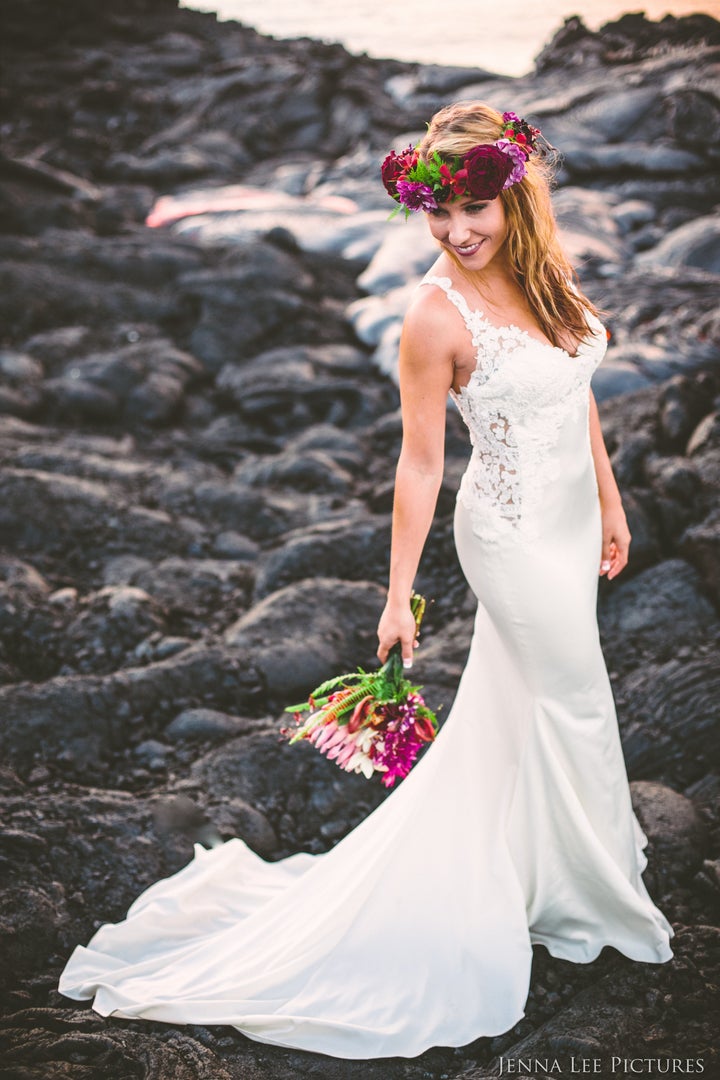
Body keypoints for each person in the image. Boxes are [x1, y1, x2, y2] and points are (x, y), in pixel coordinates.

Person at [58, 101, 674, 1060]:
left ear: (517, 198)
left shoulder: (548, 276)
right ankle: (592, 895)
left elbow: (576, 392)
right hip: (507, 535)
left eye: (476, 209)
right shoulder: (435, 312)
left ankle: (543, 872)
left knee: (529, 710)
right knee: (578, 705)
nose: (460, 232)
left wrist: (613, 501)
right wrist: (396, 596)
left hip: (567, 524)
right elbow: (419, 466)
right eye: (439, 215)